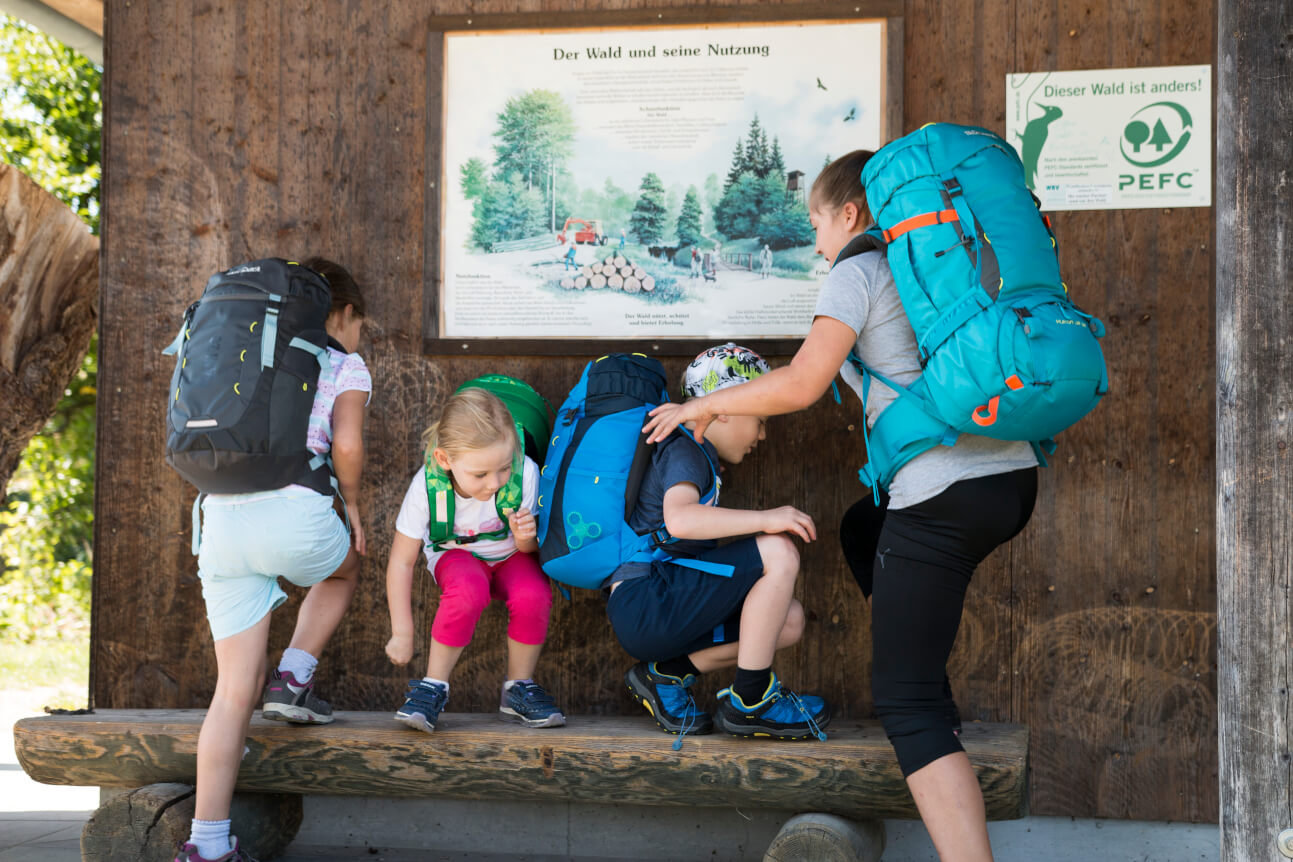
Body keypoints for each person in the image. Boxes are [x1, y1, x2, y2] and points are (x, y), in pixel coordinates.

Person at [643, 151, 1038, 862]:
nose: (816, 240)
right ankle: (918, 665)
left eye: (817, 223)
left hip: (943, 493)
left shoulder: (857, 269)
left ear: (849, 215)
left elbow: (799, 382)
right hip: (1010, 479)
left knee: (906, 707)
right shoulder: (959, 259)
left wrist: (701, 405)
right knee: (864, 526)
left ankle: (927, 721)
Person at [176, 258, 369, 862]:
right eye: (360, 322)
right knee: (346, 569)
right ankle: (295, 674)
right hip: (298, 511)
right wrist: (354, 504)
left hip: (221, 520)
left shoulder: (237, 348)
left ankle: (206, 844)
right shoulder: (343, 361)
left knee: (232, 692)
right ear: (343, 313)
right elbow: (348, 444)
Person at [612, 343, 830, 743]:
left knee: (787, 620)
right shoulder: (686, 450)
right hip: (648, 599)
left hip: (658, 607)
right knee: (778, 550)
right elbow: (681, 518)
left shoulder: (698, 456)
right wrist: (768, 518)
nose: (763, 434)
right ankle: (753, 701)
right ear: (724, 407)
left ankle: (666, 674)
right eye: (761, 419)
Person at [384, 387, 564, 732]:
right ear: (445, 460)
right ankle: (433, 685)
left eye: (502, 469)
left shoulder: (524, 472)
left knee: (534, 593)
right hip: (457, 555)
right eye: (480, 474)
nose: (495, 483)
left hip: (511, 554)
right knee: (468, 590)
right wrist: (401, 631)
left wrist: (526, 536)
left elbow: (531, 550)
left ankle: (519, 689)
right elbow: (401, 562)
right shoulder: (426, 487)